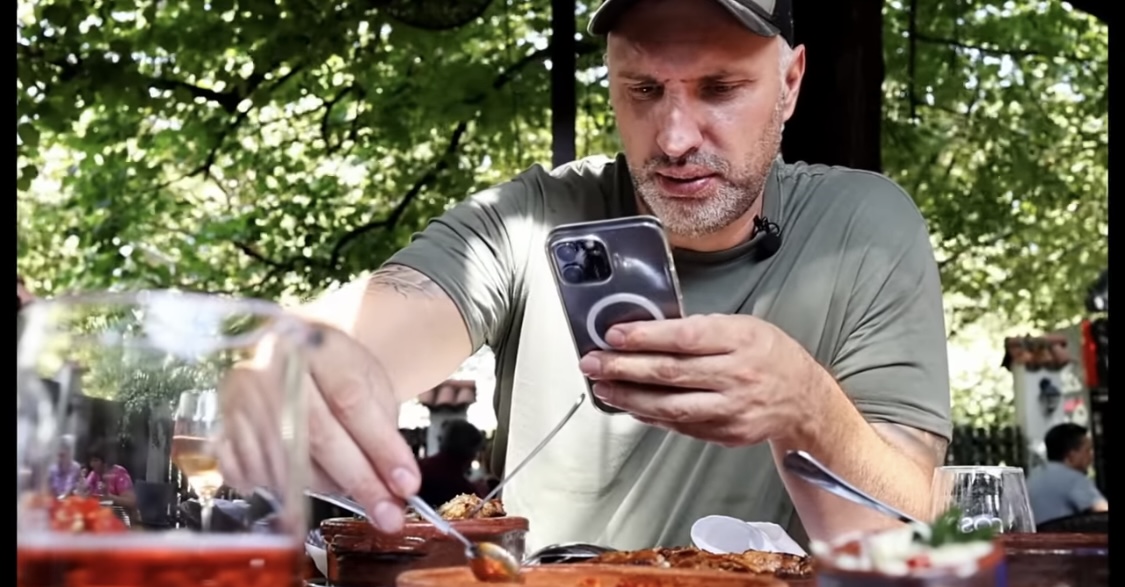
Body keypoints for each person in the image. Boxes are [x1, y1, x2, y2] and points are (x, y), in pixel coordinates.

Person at [227, 0, 951, 550]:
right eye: (643, 90)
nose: (674, 138)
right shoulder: (531, 219)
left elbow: (906, 532)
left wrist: (806, 408)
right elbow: (364, 326)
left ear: (789, 83)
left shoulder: (864, 227)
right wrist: (288, 361)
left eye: (719, 88)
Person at [1027, 423, 1107, 524]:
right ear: (1071, 455)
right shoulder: (1073, 479)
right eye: (1088, 450)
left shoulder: (1034, 476)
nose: (1092, 456)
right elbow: (1103, 511)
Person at [417, 419, 488, 507]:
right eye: (476, 451)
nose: (476, 456)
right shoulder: (461, 488)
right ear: (470, 451)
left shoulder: (420, 466)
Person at [81, 446, 137, 510]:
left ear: (105, 462)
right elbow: (85, 492)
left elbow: (131, 502)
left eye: (95, 461)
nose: (92, 464)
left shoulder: (119, 474)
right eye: (91, 461)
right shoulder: (94, 474)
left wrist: (109, 496)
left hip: (119, 513)